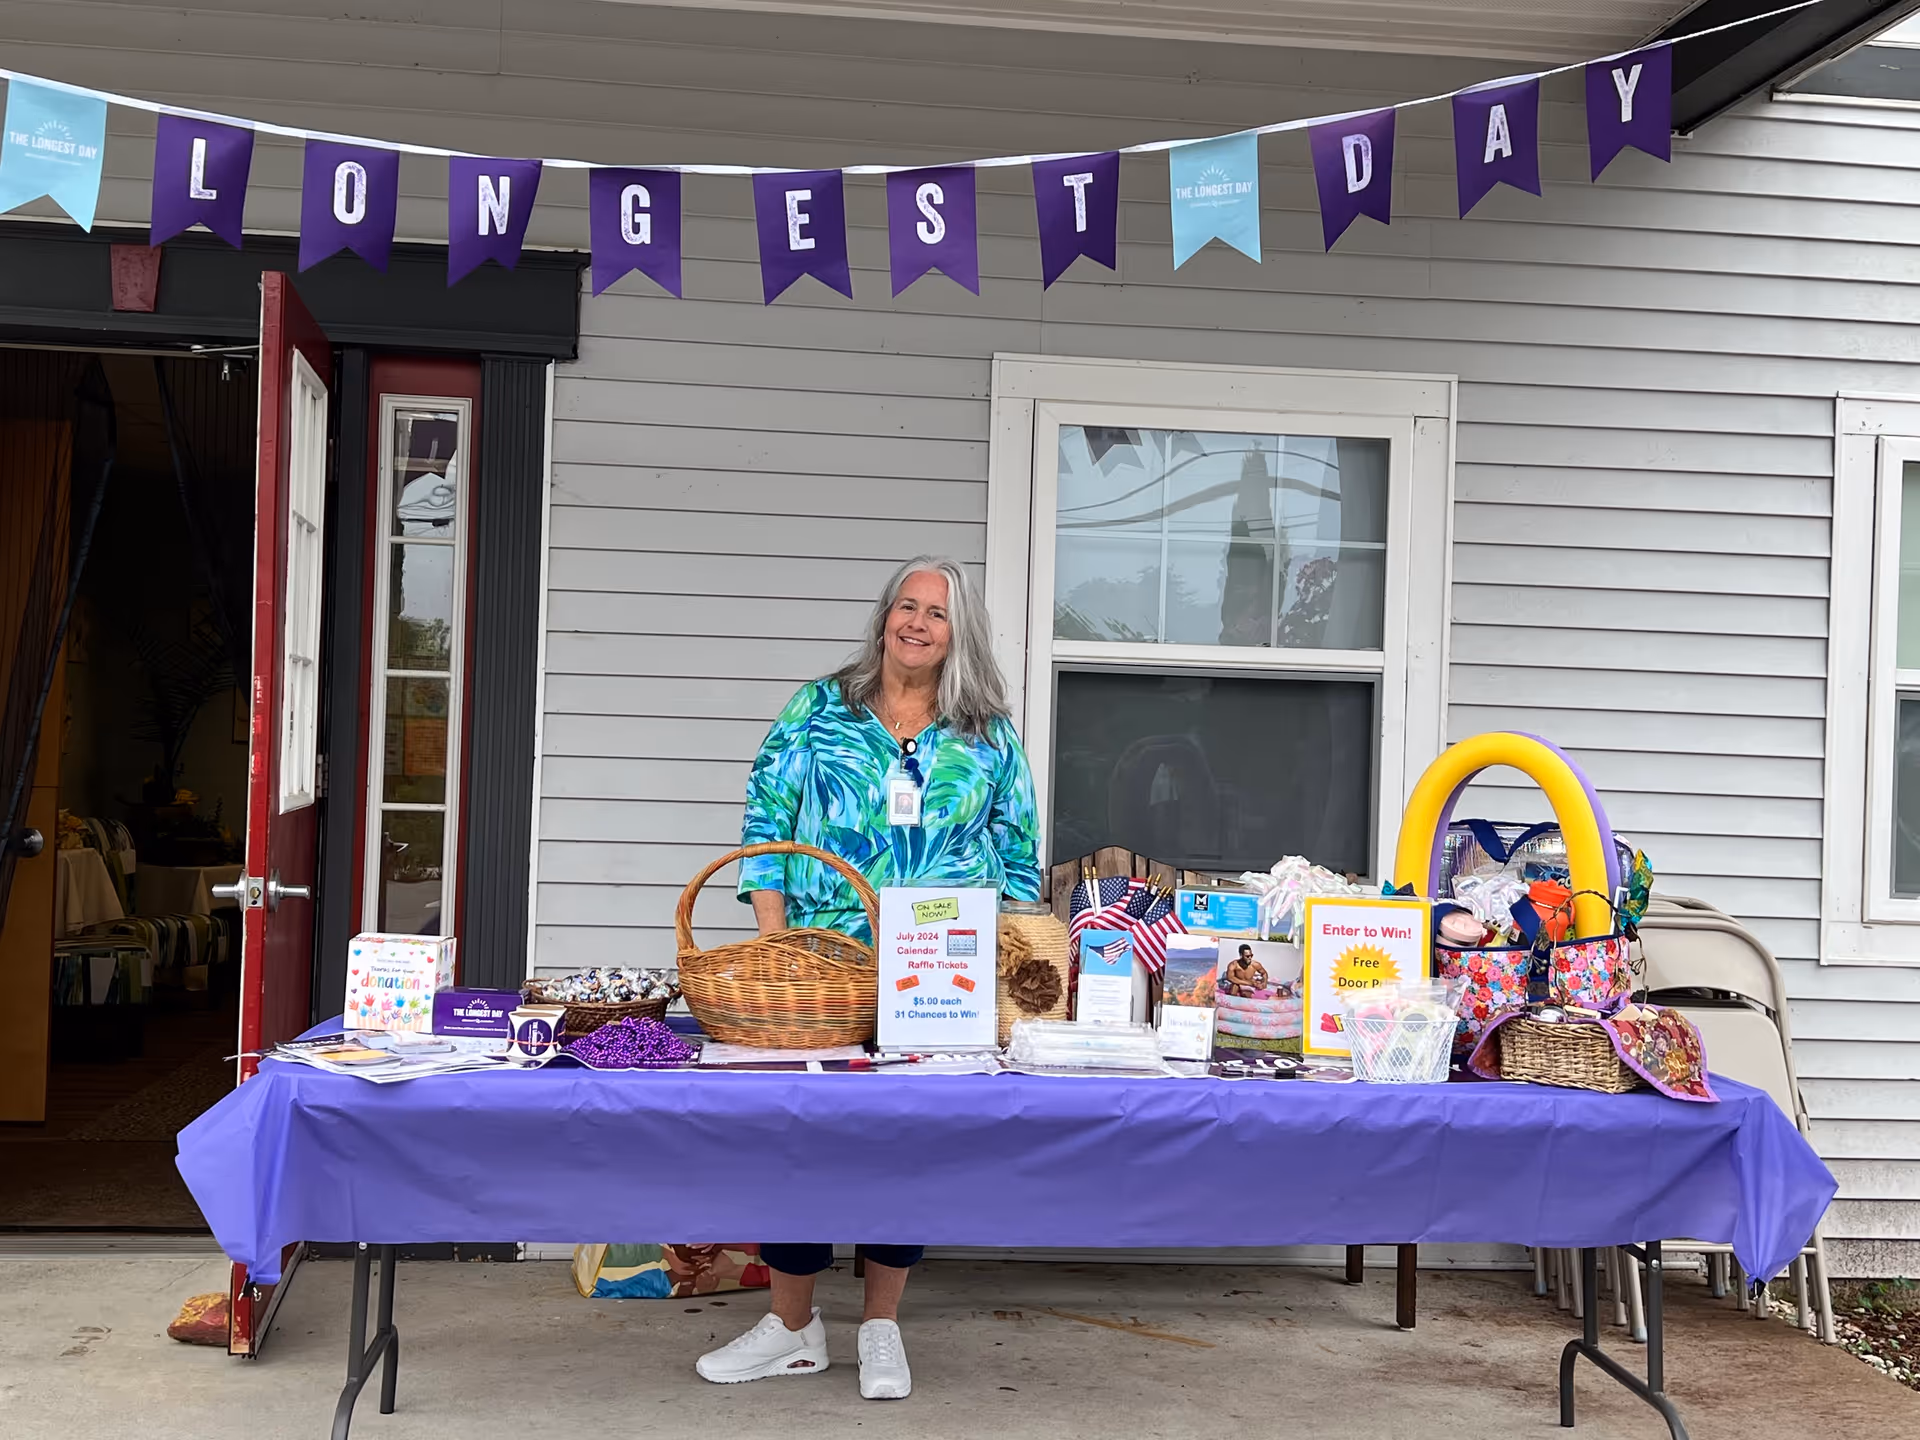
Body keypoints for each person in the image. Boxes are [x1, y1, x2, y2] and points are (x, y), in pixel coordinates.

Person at [694, 555, 1042, 1401]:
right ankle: (792, 1327)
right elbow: (764, 822)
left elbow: (1022, 863)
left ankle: (881, 1326)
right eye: (906, 606)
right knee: (797, 1136)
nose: (917, 623)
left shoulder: (987, 733)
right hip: (820, 970)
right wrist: (775, 946)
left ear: (962, 634)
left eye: (937, 613)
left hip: (938, 975)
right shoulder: (820, 709)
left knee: (906, 1142)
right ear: (885, 617)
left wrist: (1007, 969)